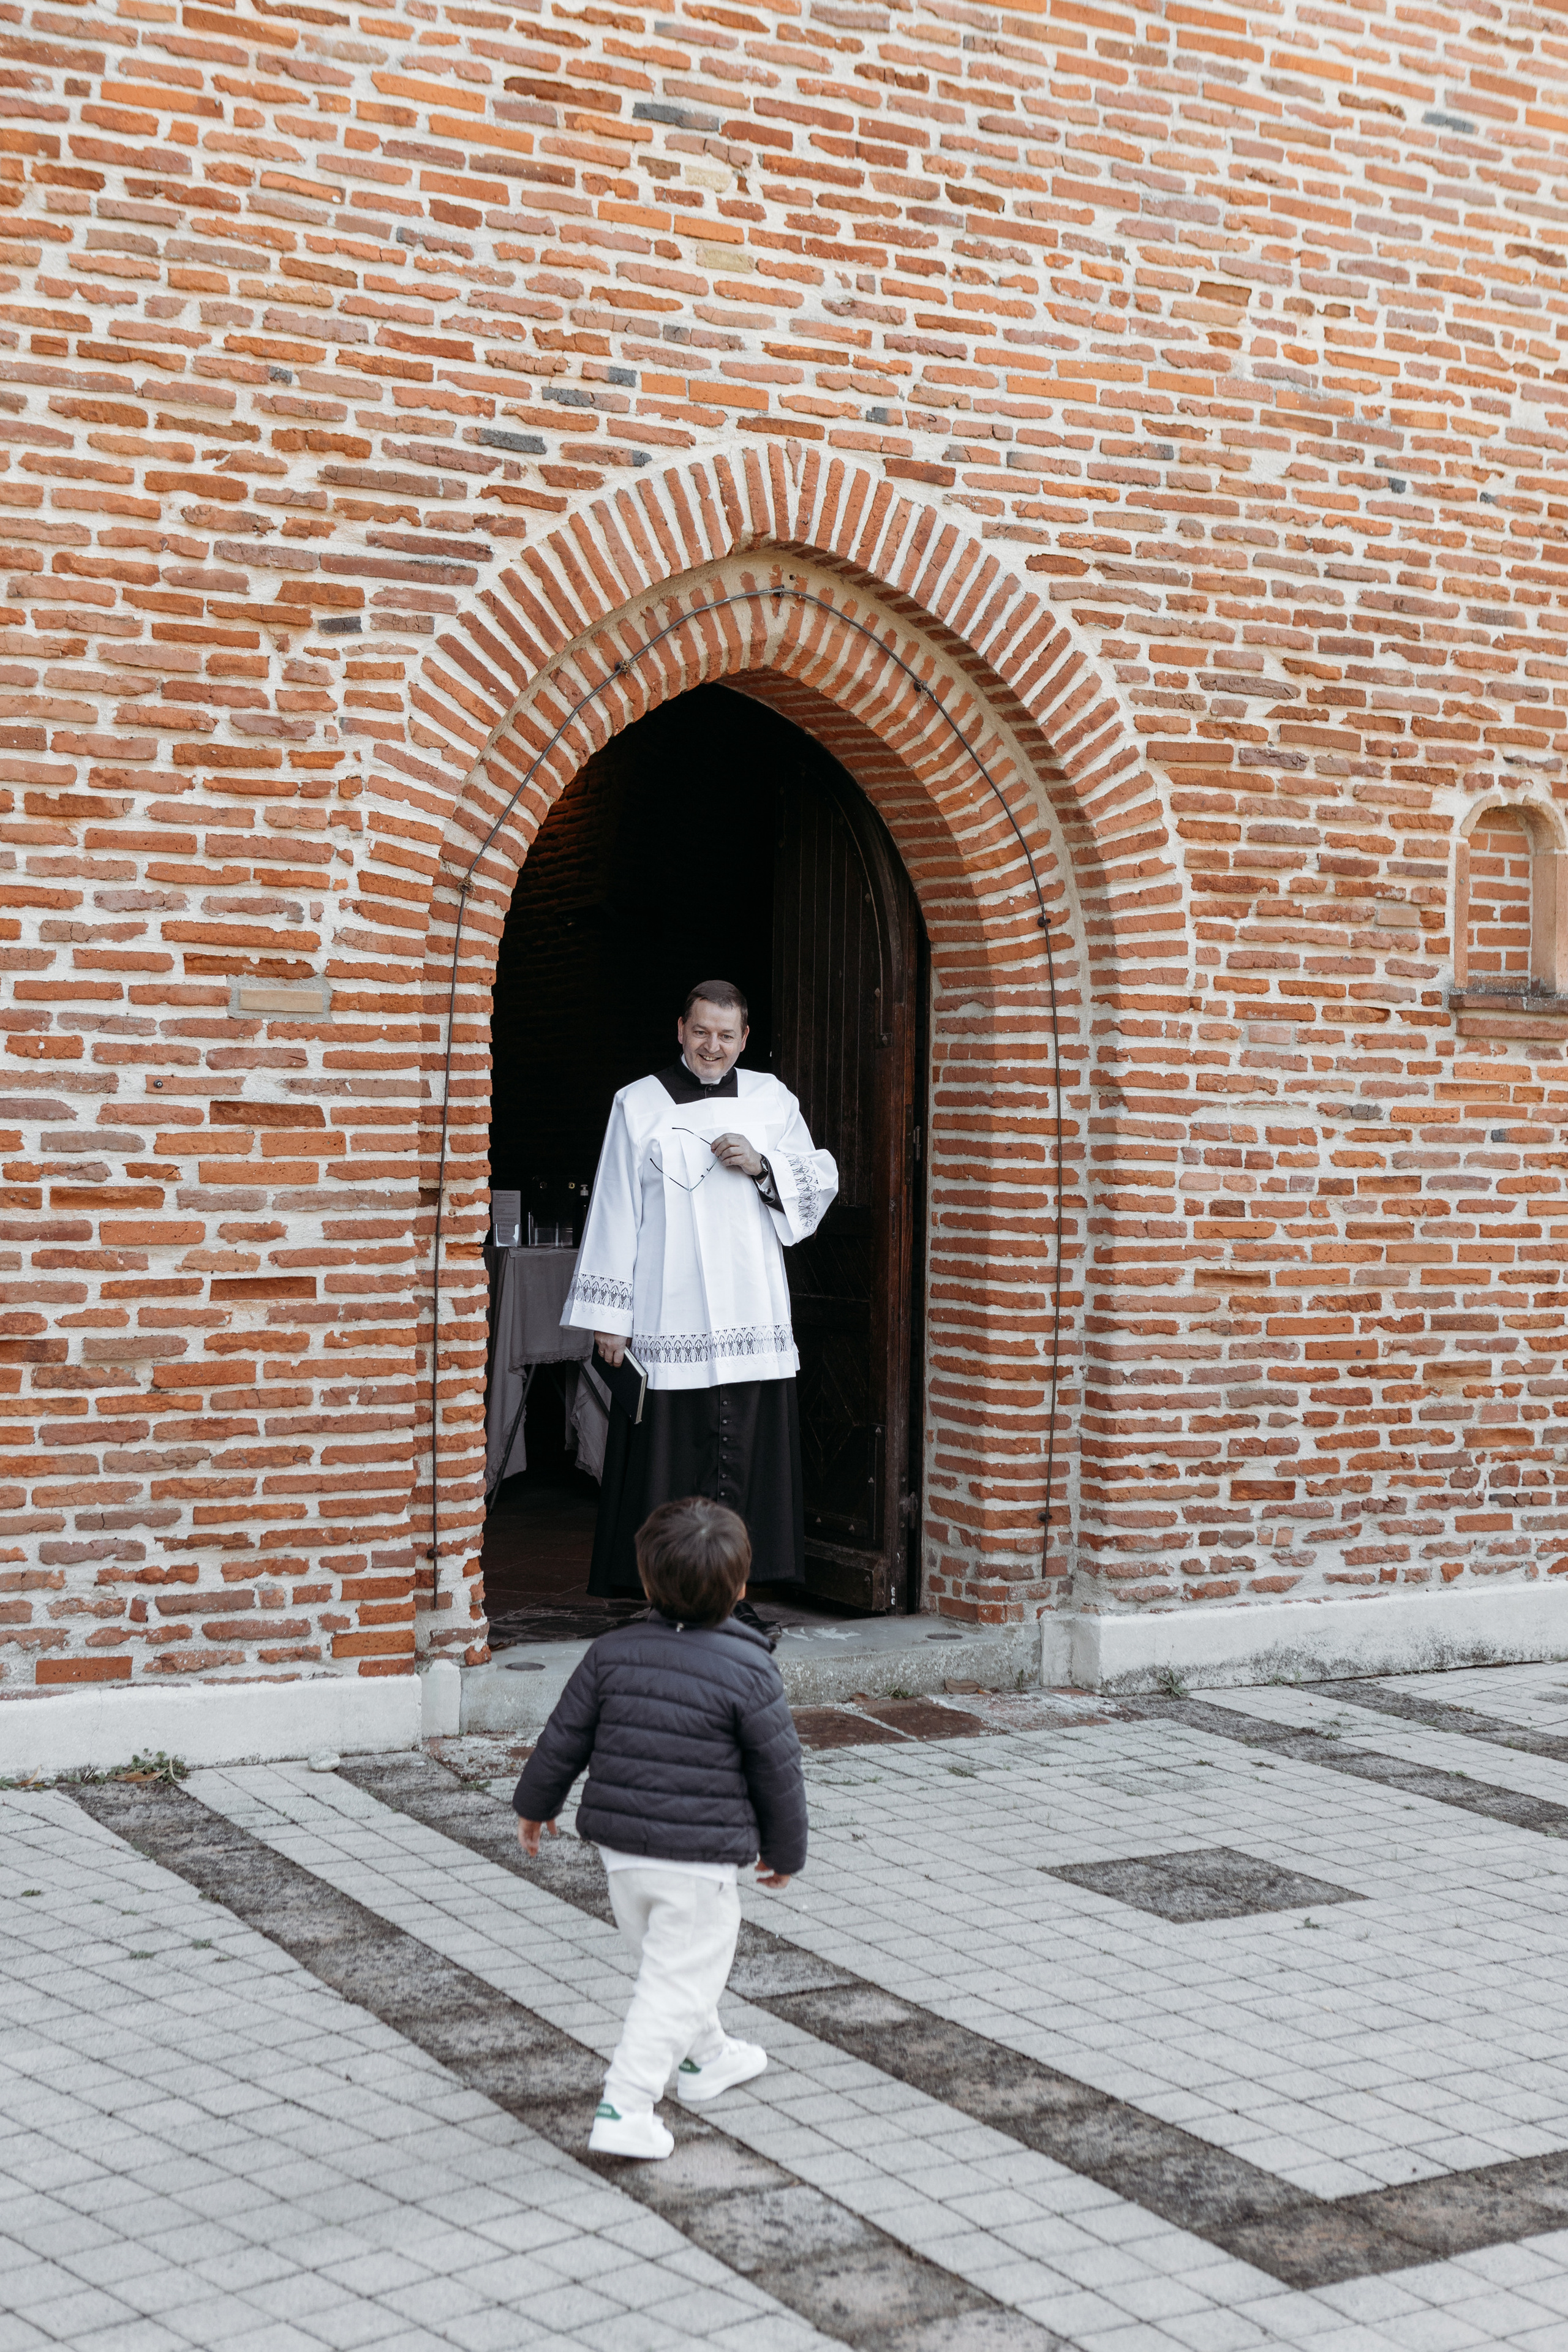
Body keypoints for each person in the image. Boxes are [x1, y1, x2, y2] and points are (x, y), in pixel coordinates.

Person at [513, 1495, 808, 2159]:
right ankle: (626, 2105)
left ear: (646, 1583)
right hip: (696, 1864)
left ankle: (707, 2058)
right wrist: (785, 1850)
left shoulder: (610, 1652)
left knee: (675, 1971)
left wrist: (535, 1804)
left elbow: (563, 1738)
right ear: (739, 1589)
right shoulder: (750, 1667)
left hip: (623, 1859)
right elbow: (778, 1770)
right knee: (675, 1980)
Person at [564, 979, 838, 1613]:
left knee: (744, 1455)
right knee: (667, 1461)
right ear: (680, 1029)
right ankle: (664, 1597)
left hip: (751, 1309)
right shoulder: (638, 1103)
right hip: (669, 1310)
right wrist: (610, 1318)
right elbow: (613, 1207)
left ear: (744, 1038)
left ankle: (733, 1596)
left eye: (726, 1035)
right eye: (701, 1032)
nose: (712, 1047)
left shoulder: (771, 1099)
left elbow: (820, 1177)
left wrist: (765, 1164)